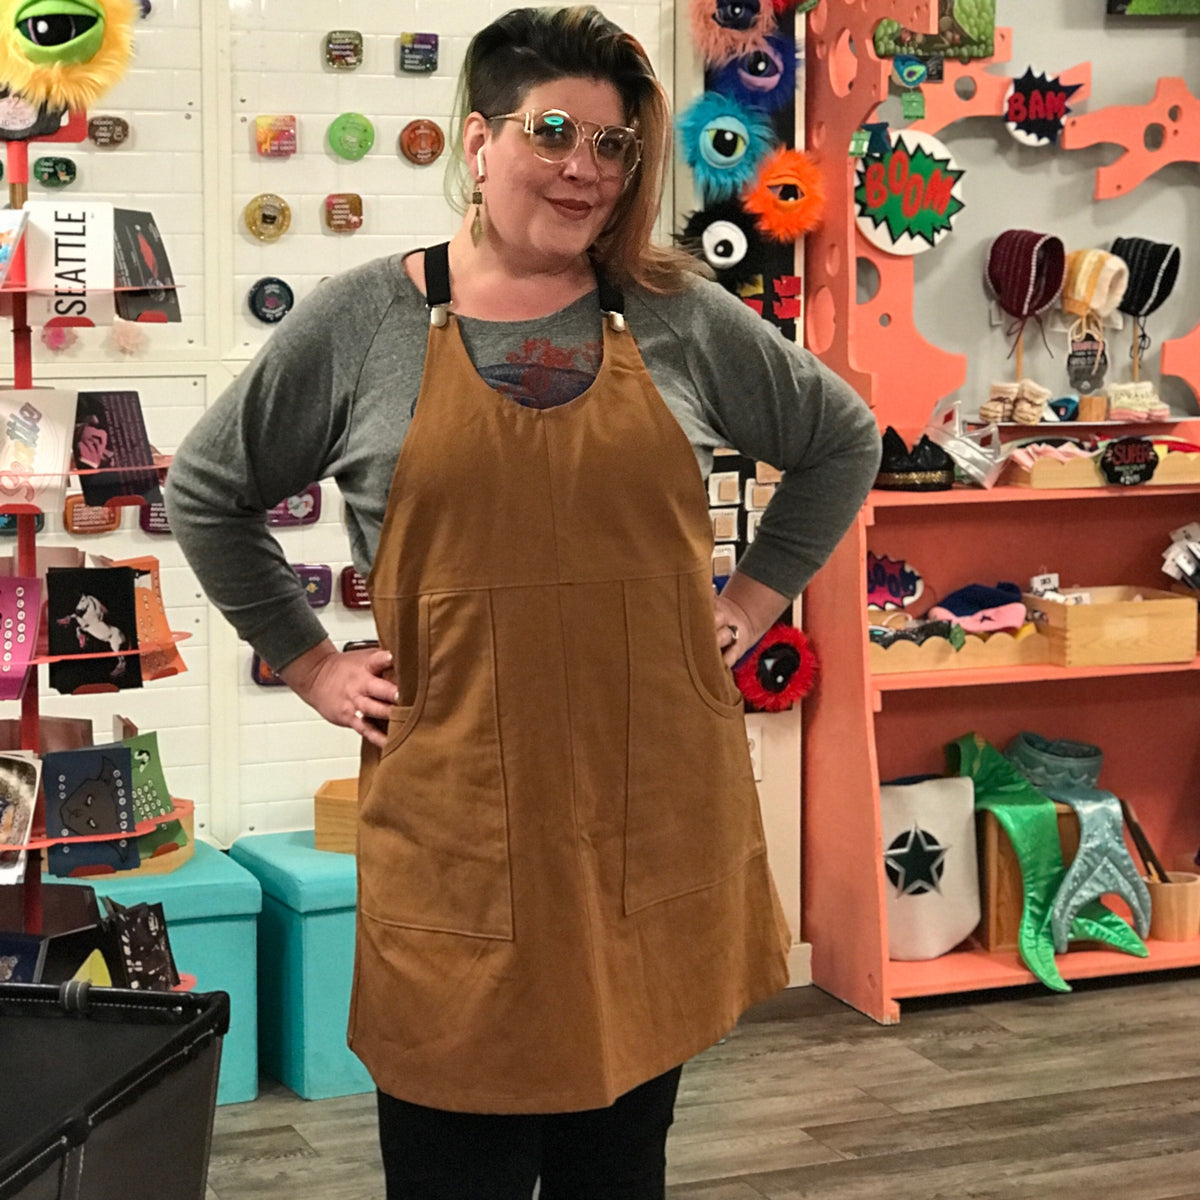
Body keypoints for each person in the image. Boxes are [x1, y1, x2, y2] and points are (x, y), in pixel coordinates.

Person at [165, 6, 881, 1197]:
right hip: (459, 824)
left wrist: (755, 598)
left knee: (620, 1163)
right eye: (555, 132)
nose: (586, 170)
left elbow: (841, 440)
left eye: (614, 148)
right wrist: (308, 660)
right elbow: (206, 491)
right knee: (455, 1164)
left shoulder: (677, 313)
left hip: (649, 805)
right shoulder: (363, 322)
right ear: (480, 138)